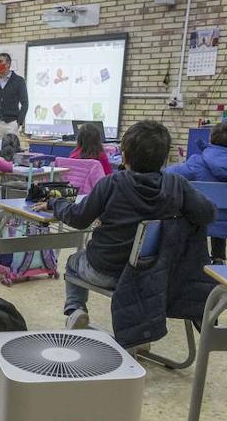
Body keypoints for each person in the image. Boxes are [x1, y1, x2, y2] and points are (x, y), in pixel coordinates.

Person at [48, 121, 216, 329]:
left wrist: (56, 203)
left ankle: (75, 310)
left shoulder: (110, 184)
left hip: (107, 270)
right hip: (155, 273)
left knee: (73, 261)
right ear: (165, 159)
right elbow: (207, 214)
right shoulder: (177, 185)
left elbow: (78, 219)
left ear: (124, 155)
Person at [165, 120, 227, 263]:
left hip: (199, 223)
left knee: (204, 209)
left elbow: (167, 174)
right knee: (220, 212)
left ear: (211, 139)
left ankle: (197, 260)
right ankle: (219, 258)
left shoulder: (197, 163)